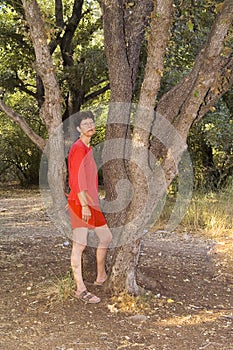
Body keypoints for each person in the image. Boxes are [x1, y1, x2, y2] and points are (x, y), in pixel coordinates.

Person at [67, 111, 112, 304]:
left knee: (107, 237)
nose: (89, 126)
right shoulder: (77, 148)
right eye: (85, 124)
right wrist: (84, 205)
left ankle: (100, 276)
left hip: (92, 203)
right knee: (80, 245)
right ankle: (80, 289)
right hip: (80, 203)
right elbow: (75, 180)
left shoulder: (88, 148)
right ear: (78, 129)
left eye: (91, 122)